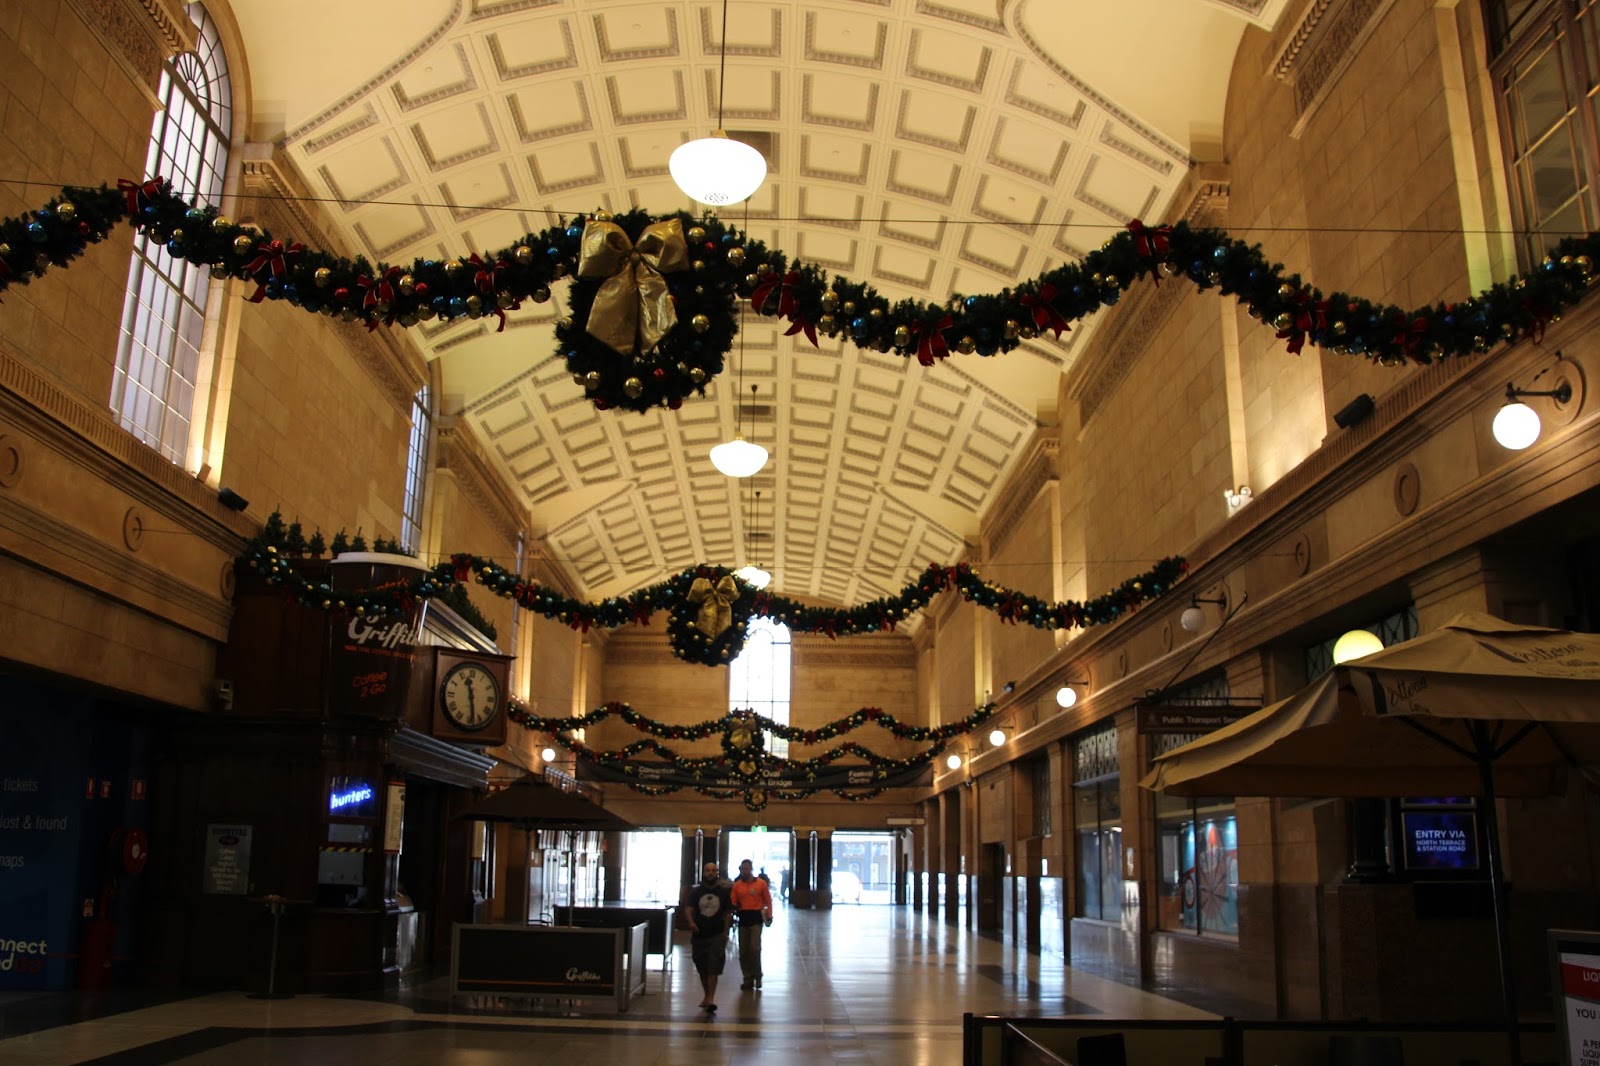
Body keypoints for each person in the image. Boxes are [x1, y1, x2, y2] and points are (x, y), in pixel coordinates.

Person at [680, 860, 733, 1013]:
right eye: (708, 870)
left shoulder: (723, 892)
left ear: (717, 873)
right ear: (704, 873)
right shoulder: (696, 891)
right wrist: (691, 923)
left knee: (713, 967)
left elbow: (728, 913)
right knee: (702, 966)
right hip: (700, 934)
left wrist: (725, 932)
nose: (710, 873)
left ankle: (710, 998)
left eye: (713, 871)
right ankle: (707, 994)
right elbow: (689, 908)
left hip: (717, 933)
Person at [729, 858, 773, 990]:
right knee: (743, 951)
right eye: (742, 869)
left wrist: (769, 915)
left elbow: (768, 900)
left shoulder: (761, 884)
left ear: (751, 869)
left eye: (746, 869)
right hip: (743, 918)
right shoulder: (737, 885)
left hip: (756, 918)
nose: (744, 871)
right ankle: (747, 977)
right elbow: (733, 900)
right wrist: (734, 906)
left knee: (754, 948)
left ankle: (757, 975)